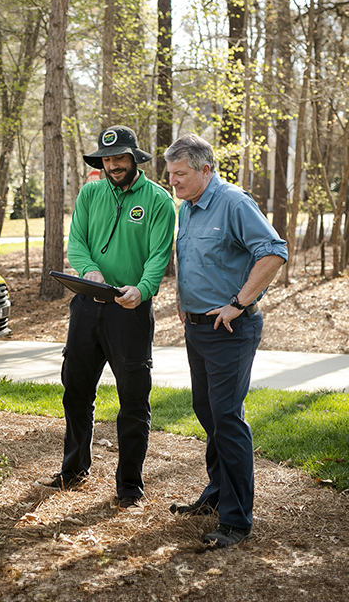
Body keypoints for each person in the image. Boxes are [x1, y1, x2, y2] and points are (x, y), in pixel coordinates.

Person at [38, 125, 175, 509]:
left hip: (129, 313)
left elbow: (158, 256)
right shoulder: (90, 193)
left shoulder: (158, 201)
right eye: (107, 159)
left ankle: (130, 485)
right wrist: (88, 270)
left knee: (134, 399)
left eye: (120, 158)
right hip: (86, 307)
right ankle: (74, 469)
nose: (113, 164)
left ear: (135, 159)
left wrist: (142, 289)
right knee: (76, 391)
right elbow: (76, 243)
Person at [164, 134, 287, 547]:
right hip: (197, 328)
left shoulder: (234, 202)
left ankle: (236, 520)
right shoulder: (189, 206)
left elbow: (273, 252)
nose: (173, 182)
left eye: (180, 174)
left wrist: (238, 302)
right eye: (170, 174)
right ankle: (217, 495)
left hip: (230, 330)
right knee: (208, 412)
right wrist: (183, 300)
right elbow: (194, 259)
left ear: (205, 170)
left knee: (227, 419)